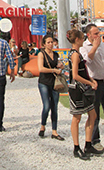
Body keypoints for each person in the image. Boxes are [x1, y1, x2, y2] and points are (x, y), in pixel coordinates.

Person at [67, 28, 103, 159]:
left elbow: (83, 71)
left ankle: (88, 145)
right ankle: (76, 147)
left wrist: (90, 79)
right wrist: (90, 83)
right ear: (77, 40)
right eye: (82, 38)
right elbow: (75, 75)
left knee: (92, 115)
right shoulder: (75, 54)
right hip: (78, 90)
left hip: (84, 88)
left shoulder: (77, 53)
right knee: (77, 118)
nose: (83, 40)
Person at [80, 23, 104, 152]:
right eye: (95, 33)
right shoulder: (83, 47)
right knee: (94, 114)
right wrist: (94, 47)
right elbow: (87, 61)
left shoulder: (103, 45)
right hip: (94, 83)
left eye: (99, 33)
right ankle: (95, 141)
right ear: (88, 35)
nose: (98, 36)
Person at [37, 34, 65, 141]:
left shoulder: (56, 54)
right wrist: (54, 70)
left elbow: (58, 64)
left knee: (55, 106)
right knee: (46, 105)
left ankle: (54, 131)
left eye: (51, 42)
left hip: (54, 83)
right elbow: (41, 68)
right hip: (44, 82)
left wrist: (60, 66)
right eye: (48, 42)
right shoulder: (41, 54)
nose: (50, 44)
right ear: (44, 44)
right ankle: (43, 125)